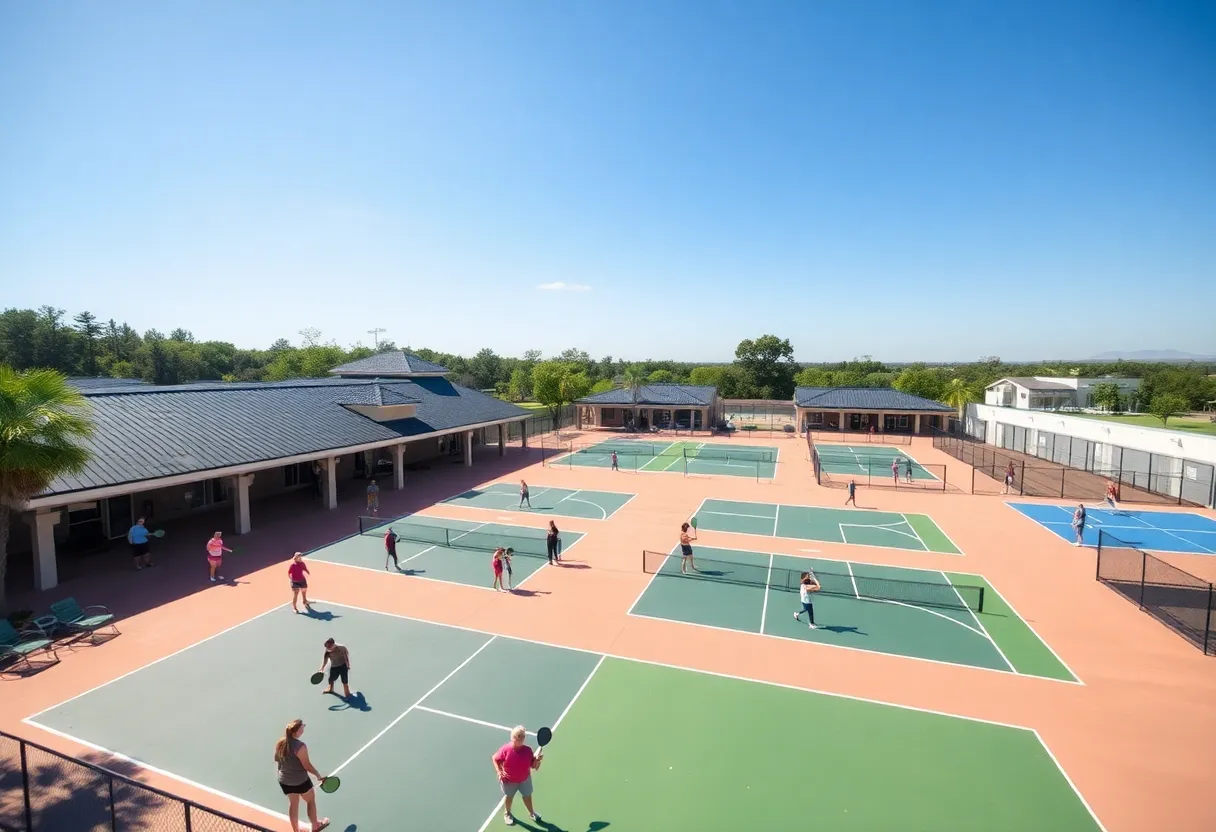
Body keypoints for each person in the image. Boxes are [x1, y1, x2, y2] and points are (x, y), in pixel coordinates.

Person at [273, 719, 330, 832]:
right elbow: (307, 765)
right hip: (300, 781)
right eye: (302, 726)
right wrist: (318, 775)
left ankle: (296, 831)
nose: (304, 727)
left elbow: (277, 759)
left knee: (293, 804)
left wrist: (281, 775)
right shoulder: (300, 746)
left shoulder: (280, 742)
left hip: (284, 780)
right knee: (310, 801)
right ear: (297, 732)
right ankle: (315, 826)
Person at [491, 725, 543, 826]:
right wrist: (499, 771)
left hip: (525, 780)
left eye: (522, 737)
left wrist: (537, 760)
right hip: (509, 781)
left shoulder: (528, 751)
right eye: (517, 737)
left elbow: (533, 766)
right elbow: (495, 758)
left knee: (527, 796)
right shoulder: (506, 749)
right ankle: (507, 813)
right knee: (509, 797)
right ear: (512, 738)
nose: (520, 740)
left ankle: (532, 813)